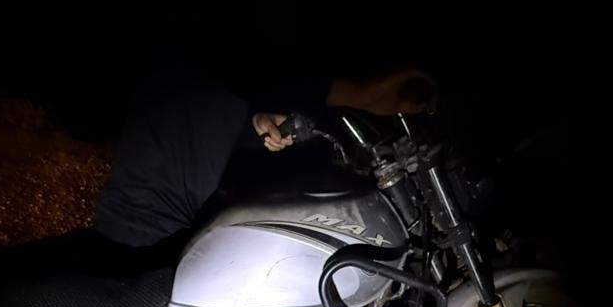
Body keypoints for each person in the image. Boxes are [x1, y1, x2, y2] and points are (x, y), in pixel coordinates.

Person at [92, 58, 437, 251]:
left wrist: (256, 125)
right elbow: (359, 94)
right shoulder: (204, 73)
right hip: (146, 240)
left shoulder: (200, 83)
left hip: (147, 229)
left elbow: (212, 124)